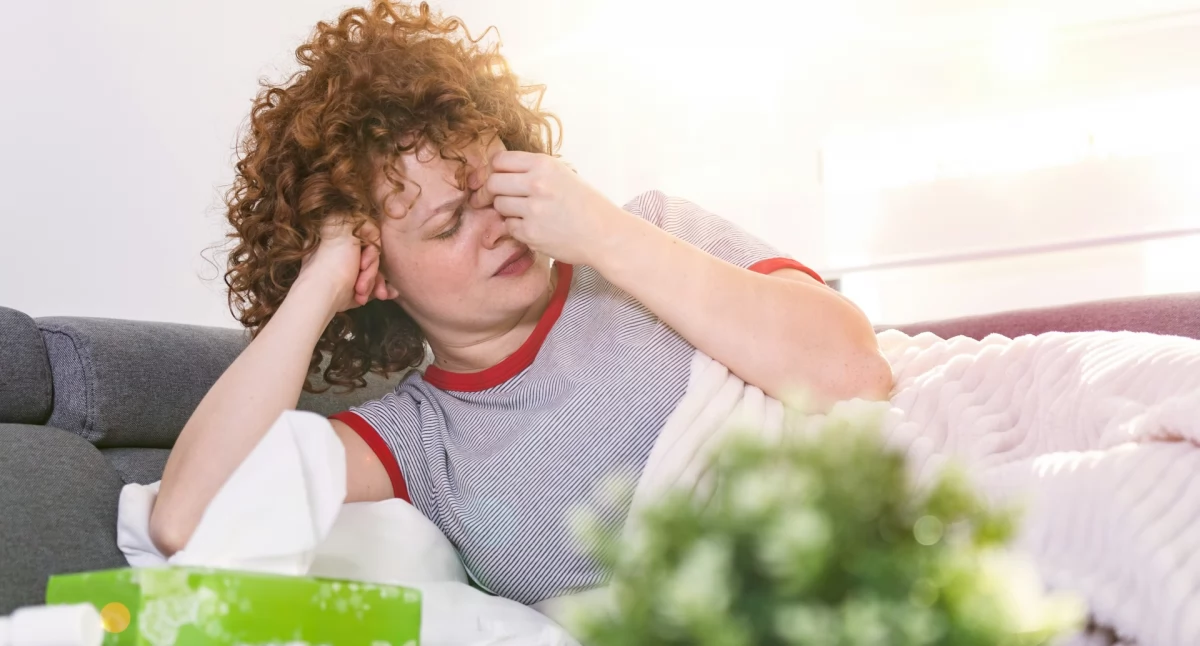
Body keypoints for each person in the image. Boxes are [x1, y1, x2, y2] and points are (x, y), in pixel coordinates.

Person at [149, 0, 892, 605]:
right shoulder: (419, 440)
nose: (495, 227)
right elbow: (188, 521)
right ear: (382, 275)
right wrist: (321, 277)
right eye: (446, 224)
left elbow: (854, 373)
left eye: (492, 189)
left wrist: (603, 230)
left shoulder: (649, 233)